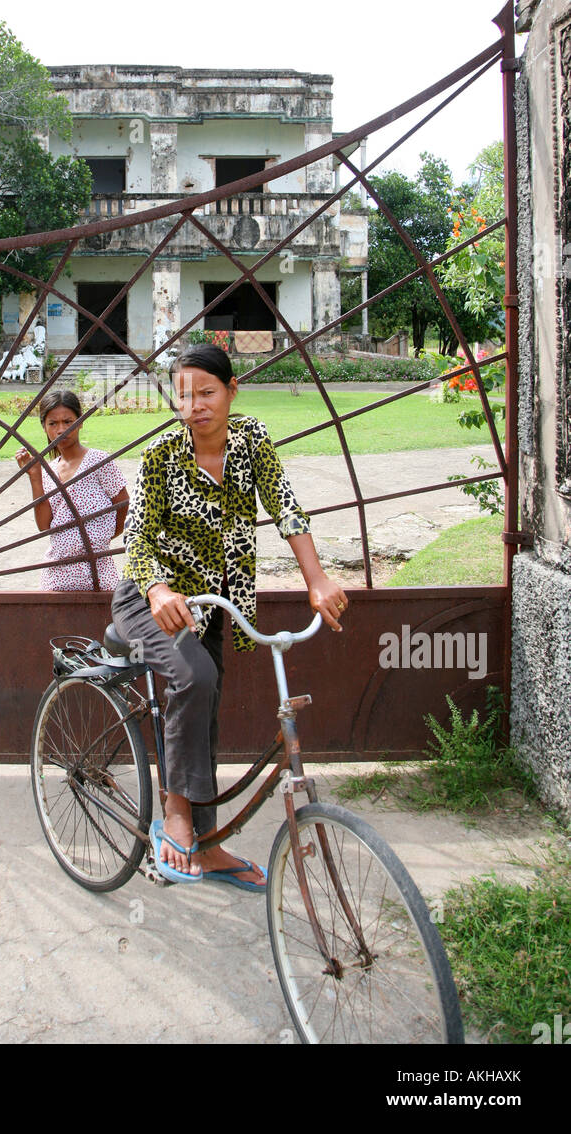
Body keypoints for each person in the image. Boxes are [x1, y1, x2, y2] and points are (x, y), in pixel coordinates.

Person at [111, 344, 348, 889]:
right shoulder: (161, 455)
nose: (194, 405)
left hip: (212, 609)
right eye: (184, 394)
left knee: (207, 706)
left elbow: (286, 507)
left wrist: (316, 579)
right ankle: (175, 814)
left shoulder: (253, 443)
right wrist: (158, 588)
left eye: (206, 392)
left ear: (232, 390)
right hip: (148, 601)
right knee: (195, 679)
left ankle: (209, 844)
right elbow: (139, 537)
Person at [16, 390, 129, 591]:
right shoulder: (48, 470)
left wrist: (102, 537)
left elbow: (123, 504)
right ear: (44, 427)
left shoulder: (98, 462)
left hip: (97, 571)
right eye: (53, 423)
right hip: (57, 575)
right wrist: (35, 476)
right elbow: (44, 525)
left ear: (81, 421)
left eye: (68, 422)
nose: (61, 430)